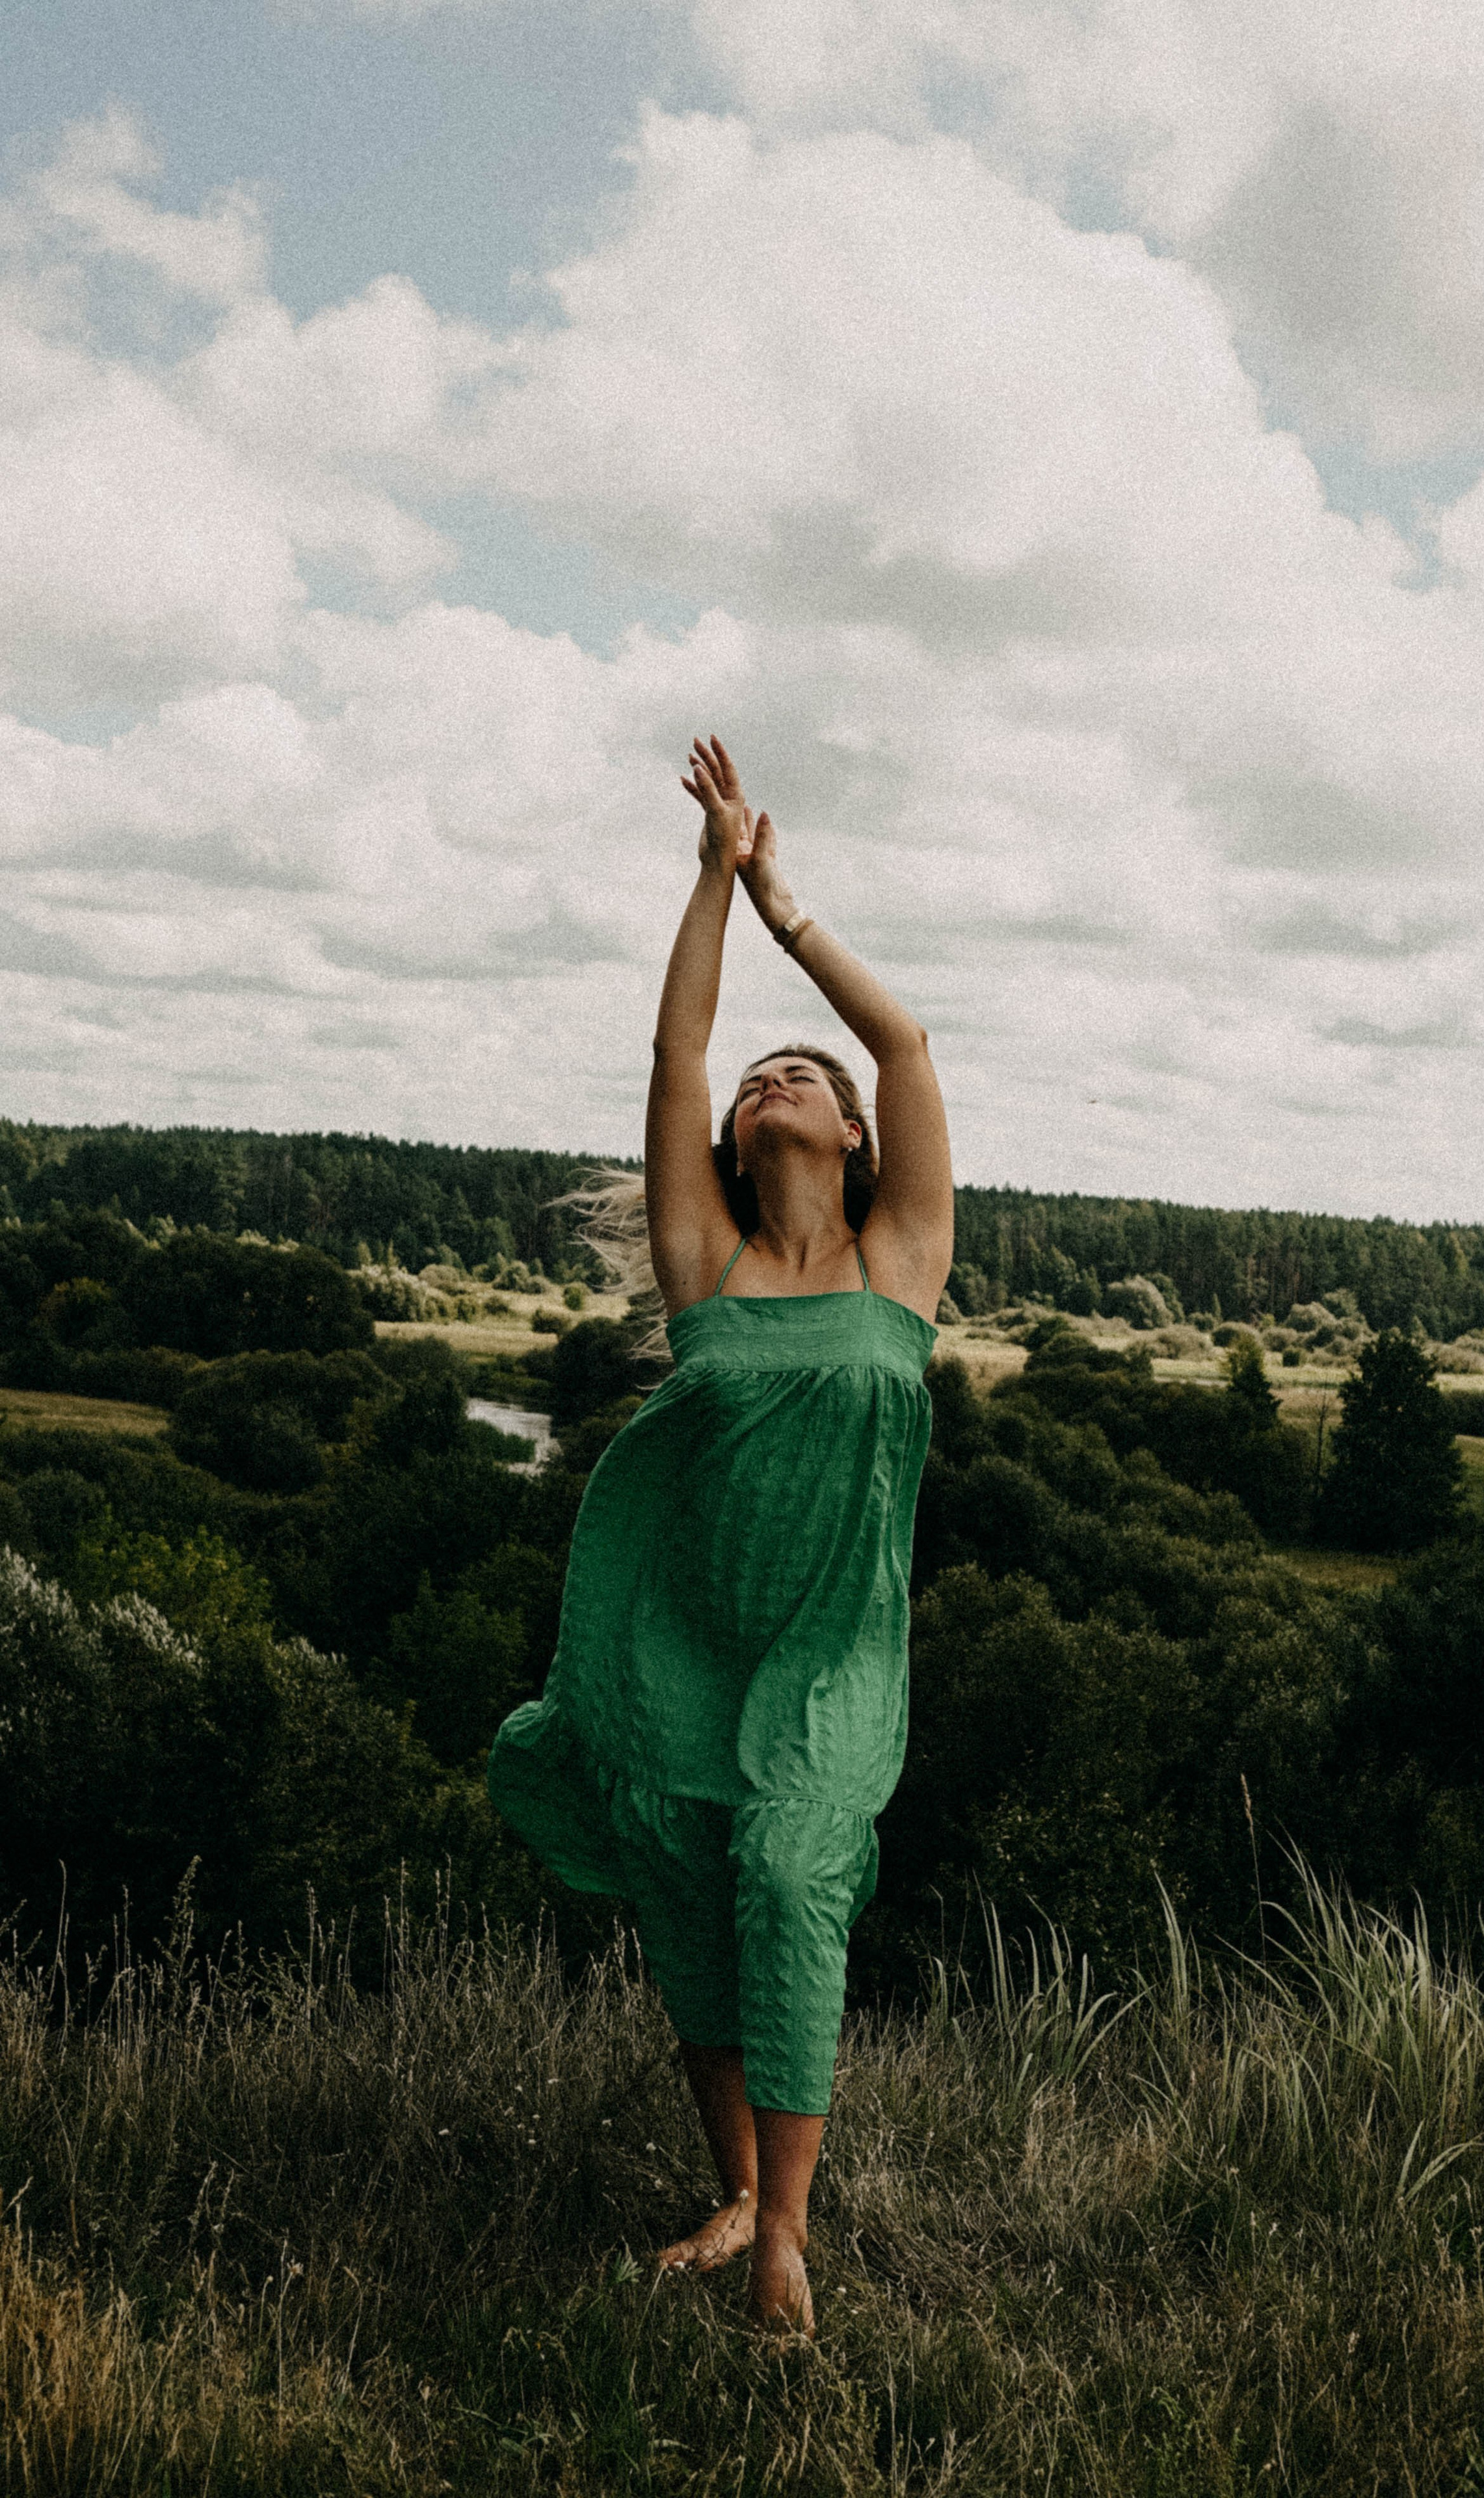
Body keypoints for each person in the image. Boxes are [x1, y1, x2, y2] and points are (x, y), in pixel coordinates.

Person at [488, 735, 954, 2334]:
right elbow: (679, 1050)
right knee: (689, 1879)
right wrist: (700, 879)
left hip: (831, 1647)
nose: (772, 1079)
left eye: (799, 1077)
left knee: (788, 1861)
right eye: (761, 1081)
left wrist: (778, 897)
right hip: (686, 1635)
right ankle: (737, 2184)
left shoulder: (901, 1259)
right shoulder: (710, 1266)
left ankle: (784, 2240)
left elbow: (897, 1036)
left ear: (850, 1135)